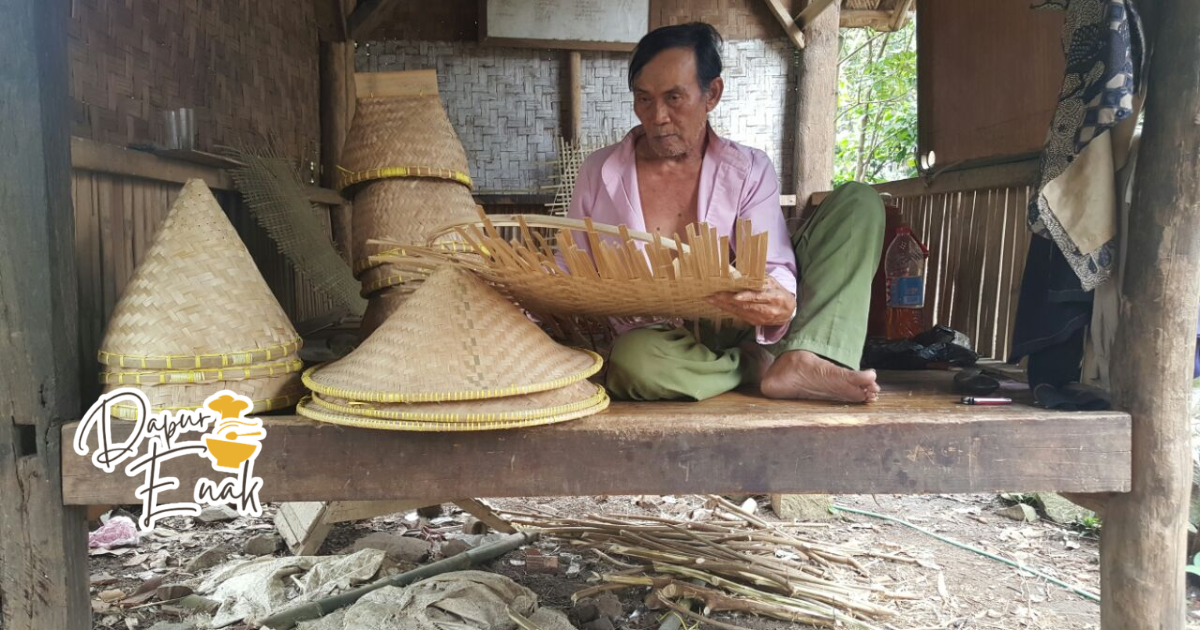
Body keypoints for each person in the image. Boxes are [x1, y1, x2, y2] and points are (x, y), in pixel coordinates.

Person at [568, 22, 885, 403]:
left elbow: (774, 264)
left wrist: (781, 298)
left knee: (860, 203)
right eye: (644, 99)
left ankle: (807, 356)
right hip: (655, 336)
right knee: (634, 363)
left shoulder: (749, 168)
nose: (657, 116)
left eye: (673, 98)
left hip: (741, 323)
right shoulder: (599, 171)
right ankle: (759, 367)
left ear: (712, 93)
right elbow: (571, 265)